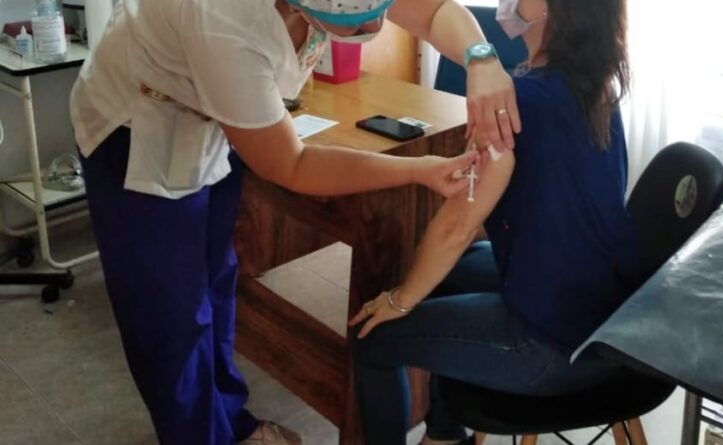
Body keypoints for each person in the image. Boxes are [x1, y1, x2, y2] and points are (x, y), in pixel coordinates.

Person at [69, 0, 524, 443]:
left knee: (217, 281)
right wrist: (416, 170)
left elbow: (433, 11)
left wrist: (481, 59)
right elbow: (293, 164)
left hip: (209, 118)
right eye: (361, 22)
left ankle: (230, 420)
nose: (379, 25)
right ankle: (196, 434)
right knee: (169, 315)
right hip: (137, 129)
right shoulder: (221, 18)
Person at [348, 0, 638, 444]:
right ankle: (446, 434)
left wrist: (399, 300)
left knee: (373, 340)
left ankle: (436, 428)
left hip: (553, 346)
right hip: (606, 318)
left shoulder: (514, 105)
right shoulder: (596, 84)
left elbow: (456, 228)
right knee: (451, 272)